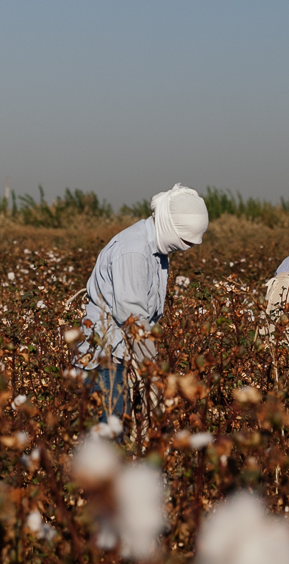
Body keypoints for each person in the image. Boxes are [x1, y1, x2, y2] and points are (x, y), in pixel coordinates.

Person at [75, 184, 209, 429]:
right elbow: (132, 315)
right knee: (111, 437)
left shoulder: (156, 250)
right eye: (185, 240)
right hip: (107, 358)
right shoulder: (134, 251)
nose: (188, 248)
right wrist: (152, 369)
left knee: (127, 436)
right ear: (170, 226)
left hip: (126, 352)